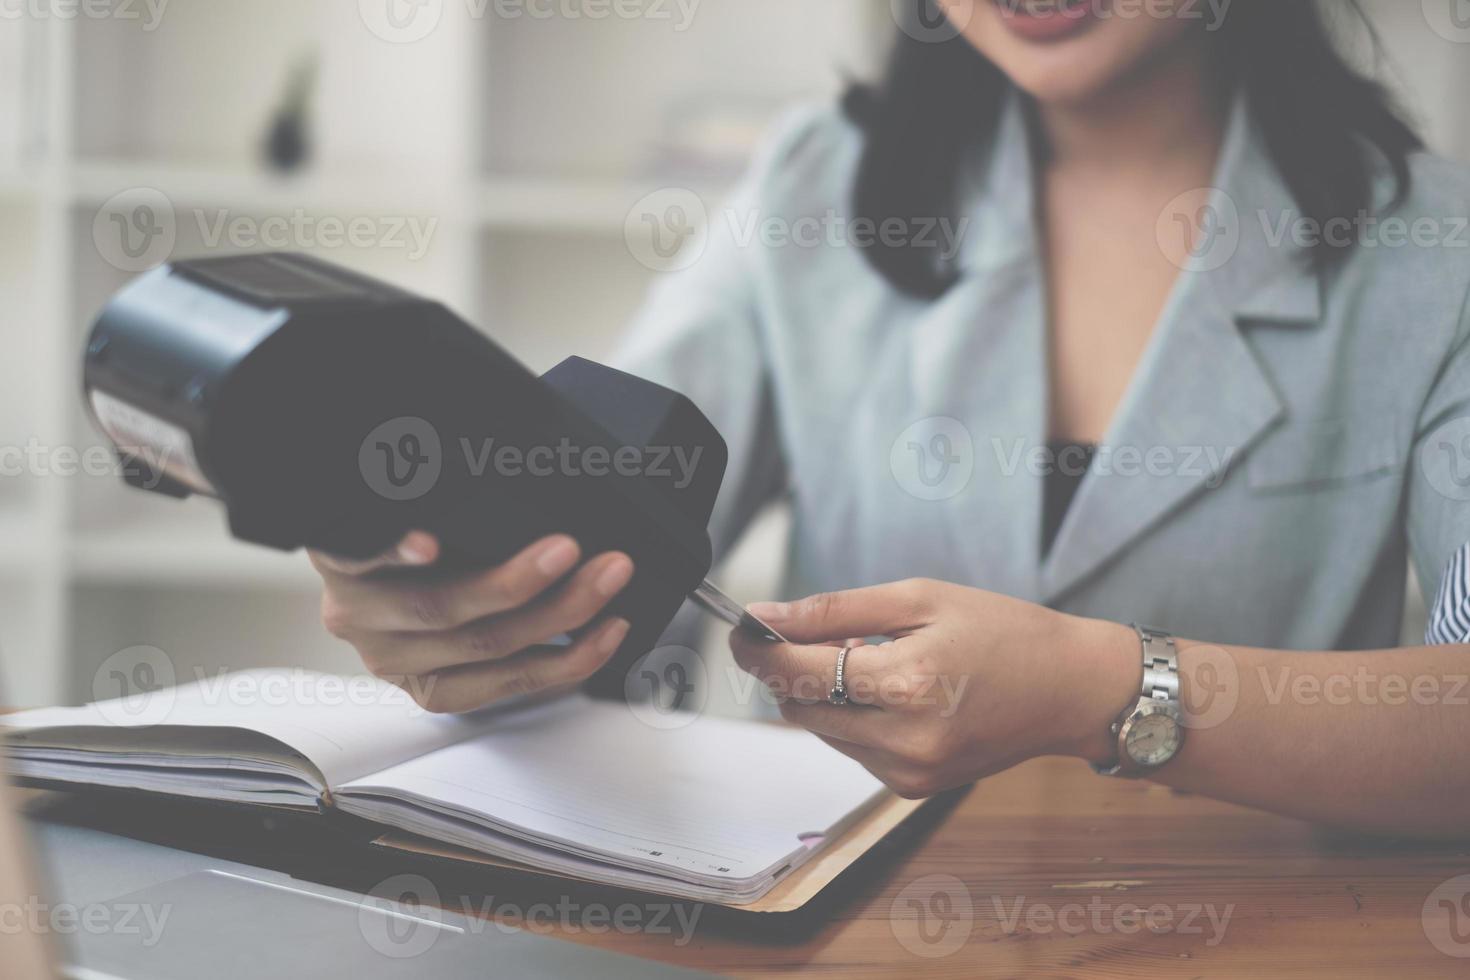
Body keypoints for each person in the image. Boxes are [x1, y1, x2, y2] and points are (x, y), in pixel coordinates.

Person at [310, 0, 1470, 839]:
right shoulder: (818, 182)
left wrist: (1100, 686)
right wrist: (480, 596)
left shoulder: (1436, 249)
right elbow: (597, 515)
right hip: (826, 922)